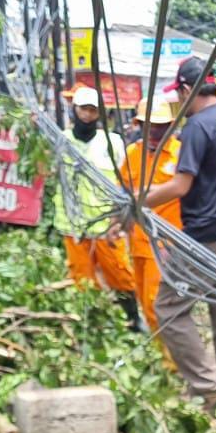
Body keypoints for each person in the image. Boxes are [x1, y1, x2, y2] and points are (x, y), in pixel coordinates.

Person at [146, 57, 216, 411]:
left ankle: (209, 388)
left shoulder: (195, 126)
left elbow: (180, 184)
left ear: (188, 90)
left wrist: (139, 200)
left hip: (206, 237)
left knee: (169, 307)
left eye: (179, 94)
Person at [55, 86, 141, 330]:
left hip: (106, 225)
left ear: (100, 113)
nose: (87, 115)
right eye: (84, 109)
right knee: (82, 280)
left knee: (121, 275)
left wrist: (120, 221)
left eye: (93, 110)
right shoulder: (62, 140)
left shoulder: (111, 142)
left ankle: (132, 322)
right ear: (75, 110)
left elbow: (124, 182)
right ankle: (91, 327)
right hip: (73, 226)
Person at [120, 97, 181, 339]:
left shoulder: (180, 153)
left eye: (160, 126)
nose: (154, 131)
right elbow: (123, 193)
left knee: (160, 306)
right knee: (145, 301)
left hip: (168, 244)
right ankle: (162, 359)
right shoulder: (132, 154)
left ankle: (173, 364)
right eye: (148, 126)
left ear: (170, 126)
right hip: (138, 242)